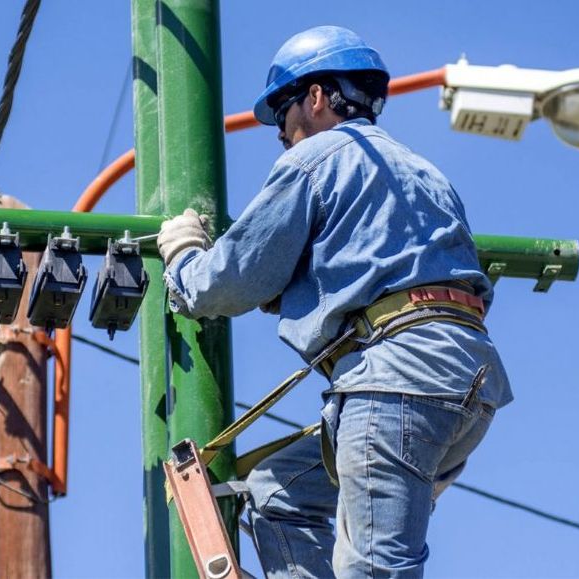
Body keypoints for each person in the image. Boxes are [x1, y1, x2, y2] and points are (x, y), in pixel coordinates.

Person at [157, 25, 512, 578]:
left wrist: (184, 261)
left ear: (317, 97)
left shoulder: (318, 159)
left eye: (282, 110)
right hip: (468, 384)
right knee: (280, 495)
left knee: (374, 569)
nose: (280, 130)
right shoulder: (422, 173)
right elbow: (377, 266)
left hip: (395, 381)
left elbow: (229, 281)